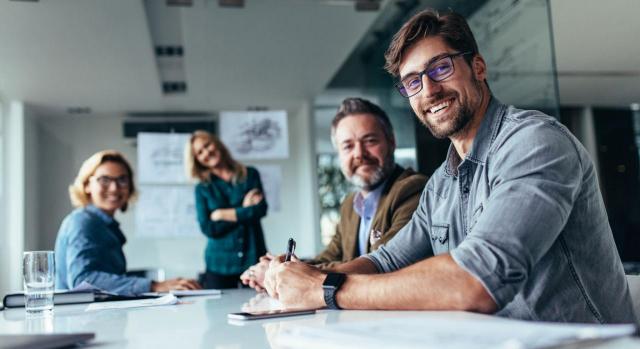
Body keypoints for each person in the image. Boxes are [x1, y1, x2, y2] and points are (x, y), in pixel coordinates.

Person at [264, 9, 636, 323]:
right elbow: (386, 260)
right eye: (412, 82)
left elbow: (478, 280)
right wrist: (303, 276)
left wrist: (325, 289)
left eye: (440, 68)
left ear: (478, 66)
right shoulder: (442, 182)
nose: (428, 90)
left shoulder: (534, 142)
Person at [240, 98, 428, 290]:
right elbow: (330, 257)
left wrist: (286, 274)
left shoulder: (411, 190)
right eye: (348, 146)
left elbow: (383, 263)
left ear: (391, 142)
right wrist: (283, 267)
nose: (359, 154)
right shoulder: (350, 204)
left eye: (370, 141)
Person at [55, 150, 201, 296]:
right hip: (80, 317)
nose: (114, 188)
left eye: (122, 180)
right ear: (87, 184)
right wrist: (153, 286)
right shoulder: (83, 222)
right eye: (104, 180)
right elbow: (83, 281)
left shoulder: (104, 225)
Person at [185, 130, 268, 289]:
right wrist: (244, 209)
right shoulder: (202, 188)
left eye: (207, 145)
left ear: (216, 143)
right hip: (219, 264)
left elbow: (260, 210)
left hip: (253, 257)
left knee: (259, 307)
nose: (206, 152)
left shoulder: (250, 175)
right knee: (217, 312)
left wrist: (222, 214)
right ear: (197, 160)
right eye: (199, 152)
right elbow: (209, 228)